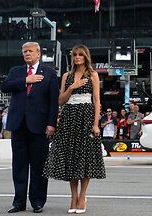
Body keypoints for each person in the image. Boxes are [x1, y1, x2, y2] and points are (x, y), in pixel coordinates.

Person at [43, 44, 106, 214]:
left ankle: (83, 196)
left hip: (86, 117)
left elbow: (97, 101)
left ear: (86, 57)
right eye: (75, 55)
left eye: (80, 54)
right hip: (69, 118)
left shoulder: (92, 75)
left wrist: (95, 124)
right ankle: (73, 197)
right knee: (71, 158)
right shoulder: (66, 76)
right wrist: (73, 86)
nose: (77, 57)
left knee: (84, 158)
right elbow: (60, 101)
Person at [0, 41, 59, 213]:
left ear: (38, 53)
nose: (27, 54)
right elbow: (4, 86)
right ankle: (19, 202)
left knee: (39, 166)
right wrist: (26, 80)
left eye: (30, 51)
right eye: (24, 51)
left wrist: (51, 123)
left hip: (40, 126)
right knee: (19, 166)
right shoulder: (16, 71)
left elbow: (53, 102)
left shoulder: (49, 73)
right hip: (18, 124)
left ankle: (38, 201)